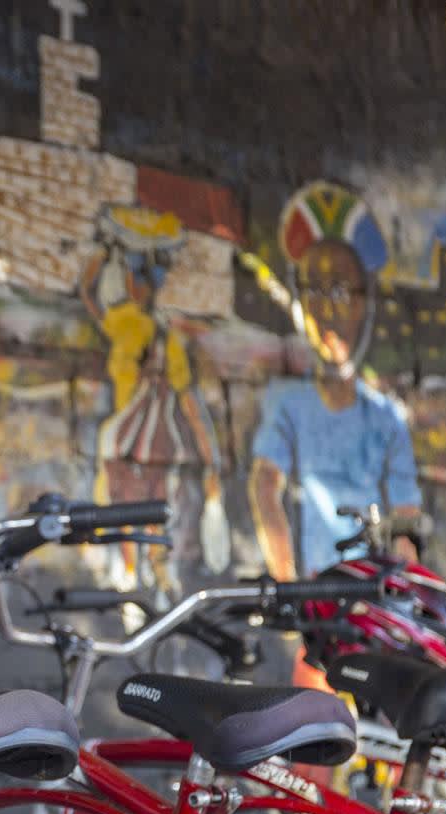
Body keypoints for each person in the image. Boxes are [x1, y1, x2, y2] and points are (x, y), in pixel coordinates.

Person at [248, 181, 422, 691]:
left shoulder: (385, 418)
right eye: (314, 291)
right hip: (318, 617)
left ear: (367, 302)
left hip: (375, 609)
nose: (329, 311)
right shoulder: (290, 406)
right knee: (315, 742)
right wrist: (290, 590)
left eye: (343, 291)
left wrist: (401, 602)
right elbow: (265, 487)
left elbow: (406, 521)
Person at [78, 206, 225, 595]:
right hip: (130, 447)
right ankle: (142, 579)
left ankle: (155, 579)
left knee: (149, 518)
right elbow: (90, 295)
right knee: (135, 519)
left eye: (151, 273)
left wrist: (211, 460)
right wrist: (104, 251)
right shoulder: (128, 323)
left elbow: (189, 403)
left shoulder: (152, 333)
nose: (144, 283)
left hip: (149, 448)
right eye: (138, 270)